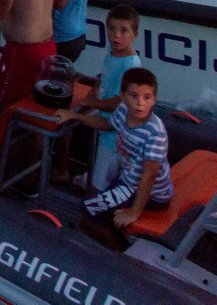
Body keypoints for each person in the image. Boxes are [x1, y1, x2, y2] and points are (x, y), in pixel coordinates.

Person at [57, 67, 173, 249]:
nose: (140, 103)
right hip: (128, 180)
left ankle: (121, 256)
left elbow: (149, 176)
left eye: (147, 97)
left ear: (154, 99)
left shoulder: (155, 133)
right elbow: (108, 124)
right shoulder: (122, 111)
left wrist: (134, 212)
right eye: (133, 96)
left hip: (152, 192)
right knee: (91, 215)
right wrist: (74, 115)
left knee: (89, 210)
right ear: (123, 96)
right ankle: (87, 242)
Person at [76, 5, 143, 192]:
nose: (116, 36)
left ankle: (94, 213)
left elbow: (119, 103)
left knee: (99, 187)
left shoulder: (130, 65)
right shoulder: (113, 53)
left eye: (123, 30)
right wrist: (91, 96)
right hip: (106, 129)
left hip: (115, 140)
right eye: (112, 29)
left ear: (134, 35)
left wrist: (90, 103)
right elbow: (103, 78)